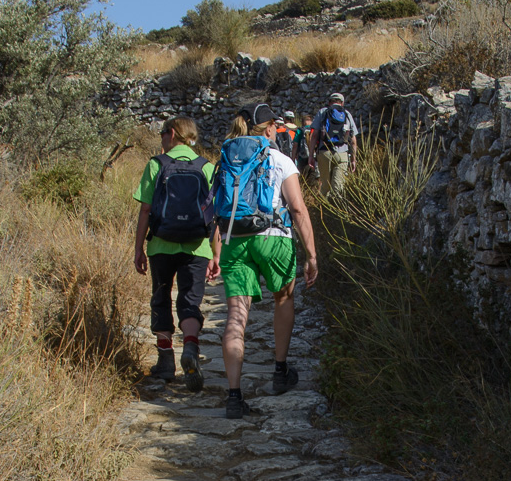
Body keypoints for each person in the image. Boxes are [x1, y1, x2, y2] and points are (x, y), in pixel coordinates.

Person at [207, 103, 318, 419]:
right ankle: (280, 370)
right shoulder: (280, 160)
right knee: (283, 298)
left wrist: (216, 252)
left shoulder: (226, 160)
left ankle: (234, 396)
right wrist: (311, 255)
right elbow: (298, 210)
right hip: (274, 239)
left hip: (234, 241)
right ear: (270, 128)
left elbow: (219, 211)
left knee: (236, 315)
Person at [133, 116, 216, 390]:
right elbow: (214, 215)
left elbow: (145, 209)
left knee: (161, 298)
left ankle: (165, 361)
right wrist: (215, 253)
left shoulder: (156, 165)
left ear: (171, 133)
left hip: (161, 244)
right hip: (197, 246)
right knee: (190, 301)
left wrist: (138, 248)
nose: (162, 139)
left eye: (162, 134)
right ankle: (190, 348)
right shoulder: (206, 167)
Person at [308, 93, 359, 195]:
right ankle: (336, 203)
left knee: (325, 186)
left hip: (324, 152)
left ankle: (323, 204)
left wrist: (311, 156)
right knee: (338, 188)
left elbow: (314, 135)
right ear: (342, 103)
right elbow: (353, 140)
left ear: (329, 102)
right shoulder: (347, 114)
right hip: (342, 154)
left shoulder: (323, 112)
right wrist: (353, 159)